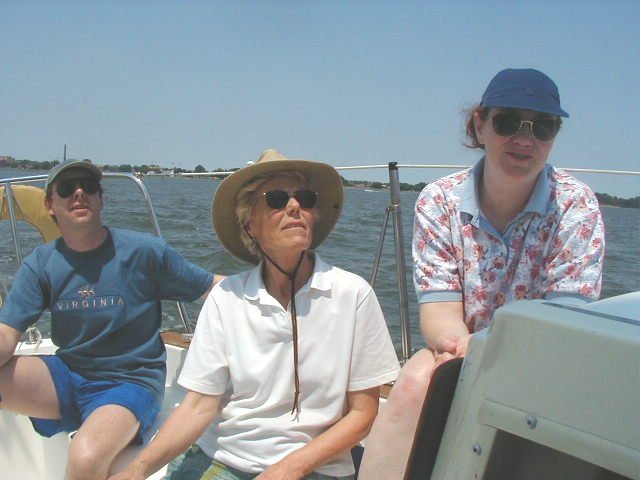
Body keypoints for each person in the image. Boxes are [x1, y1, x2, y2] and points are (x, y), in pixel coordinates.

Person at [358, 68, 605, 479]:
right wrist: (469, 350)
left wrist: (494, 353)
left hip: (542, 357)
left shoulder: (576, 207)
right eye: (508, 122)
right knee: (413, 383)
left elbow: (565, 326)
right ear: (480, 124)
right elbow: (439, 314)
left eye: (542, 127)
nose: (524, 138)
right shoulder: (438, 200)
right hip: (459, 349)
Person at [109, 149, 401, 480]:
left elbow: (363, 414)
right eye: (277, 199)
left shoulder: (353, 295)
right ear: (250, 225)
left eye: (305, 198)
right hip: (224, 458)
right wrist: (138, 468)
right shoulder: (226, 299)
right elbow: (199, 406)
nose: (295, 206)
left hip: (316, 468)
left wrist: (288, 469)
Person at [0, 159, 222, 480]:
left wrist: (273, 290)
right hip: (68, 373)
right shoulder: (41, 264)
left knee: (86, 456)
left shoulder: (144, 252)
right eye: (67, 188)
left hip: (130, 381)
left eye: (89, 187)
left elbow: (210, 286)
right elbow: (7, 333)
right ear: (49, 205)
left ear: (101, 199)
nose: (79, 193)